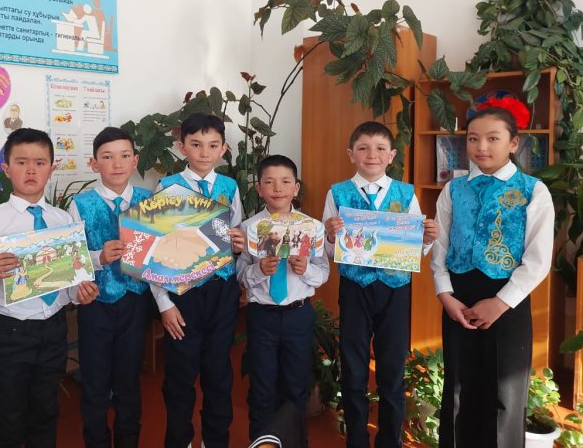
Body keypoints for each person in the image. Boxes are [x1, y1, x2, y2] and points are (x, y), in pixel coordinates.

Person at [431, 107, 554, 448]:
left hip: (507, 300)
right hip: (458, 299)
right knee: (458, 390)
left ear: (513, 143)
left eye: (492, 138)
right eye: (473, 138)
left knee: (504, 395)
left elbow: (538, 259)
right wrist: (445, 295)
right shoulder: (453, 189)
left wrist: (500, 303)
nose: (481, 146)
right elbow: (440, 247)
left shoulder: (533, 190)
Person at [0, 127, 99, 448]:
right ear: (6, 169)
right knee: (8, 417)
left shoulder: (62, 220)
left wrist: (80, 292)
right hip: (10, 333)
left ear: (51, 169)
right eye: (21, 162)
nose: (31, 170)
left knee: (46, 411)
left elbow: (69, 284)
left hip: (54, 330)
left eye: (40, 163)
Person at [322, 121, 438, 448]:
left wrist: (427, 238)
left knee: (392, 368)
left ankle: (390, 441)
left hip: (395, 290)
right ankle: (356, 440)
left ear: (391, 156)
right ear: (351, 154)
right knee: (354, 366)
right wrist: (330, 234)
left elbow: (416, 246)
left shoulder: (406, 193)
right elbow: (328, 250)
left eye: (380, 148)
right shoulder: (337, 193)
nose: (371, 154)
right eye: (363, 148)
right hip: (354, 288)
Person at [152, 112, 246, 448]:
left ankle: (215, 440)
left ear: (223, 149)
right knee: (180, 374)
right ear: (182, 147)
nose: (204, 152)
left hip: (221, 290)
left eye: (212, 145)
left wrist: (239, 243)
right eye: (196, 144)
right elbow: (155, 248)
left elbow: (237, 232)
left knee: (218, 372)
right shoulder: (167, 187)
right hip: (183, 293)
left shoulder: (229, 187)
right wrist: (163, 303)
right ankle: (180, 440)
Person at [68, 127, 152, 448]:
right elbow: (72, 260)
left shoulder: (148, 201)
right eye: (107, 157)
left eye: (124, 156)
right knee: (95, 384)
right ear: (94, 164)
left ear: (135, 161)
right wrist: (99, 257)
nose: (117, 164)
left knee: (129, 381)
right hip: (96, 305)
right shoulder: (80, 204)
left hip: (136, 302)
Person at [237, 155, 329, 445]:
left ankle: (295, 442)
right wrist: (258, 270)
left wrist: (306, 270)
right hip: (261, 315)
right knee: (262, 388)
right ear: (259, 188)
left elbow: (323, 272)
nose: (278, 188)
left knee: (296, 387)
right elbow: (240, 274)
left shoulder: (312, 227)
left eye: (286, 181)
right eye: (269, 182)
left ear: (296, 188)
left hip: (298, 315)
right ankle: (261, 443)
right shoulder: (249, 228)